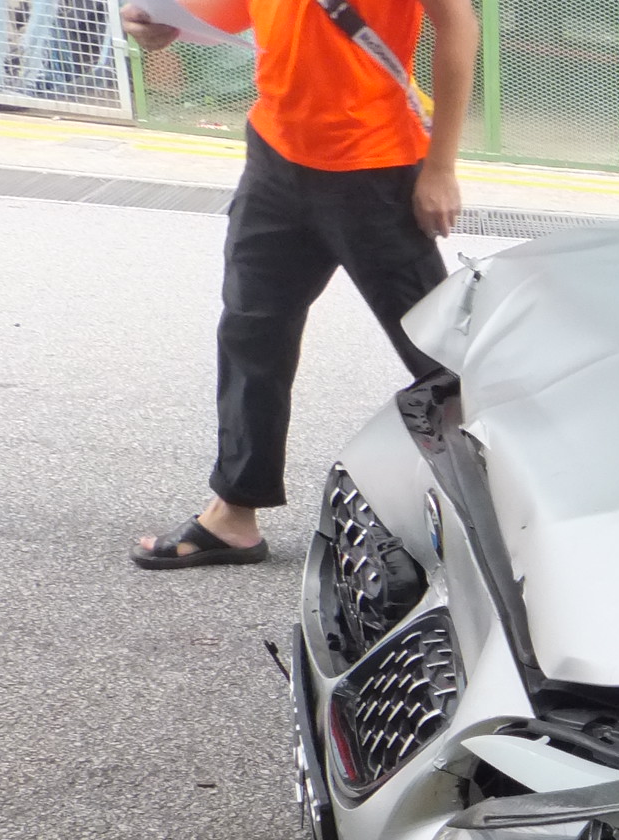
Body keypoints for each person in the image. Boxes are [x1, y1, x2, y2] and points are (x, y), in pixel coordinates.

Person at [126, 0, 478, 568]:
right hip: (276, 156)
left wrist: (441, 167)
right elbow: (234, 12)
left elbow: (457, 22)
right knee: (251, 333)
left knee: (439, 353)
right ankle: (233, 512)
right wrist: (162, 22)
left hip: (375, 169)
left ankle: (515, 508)